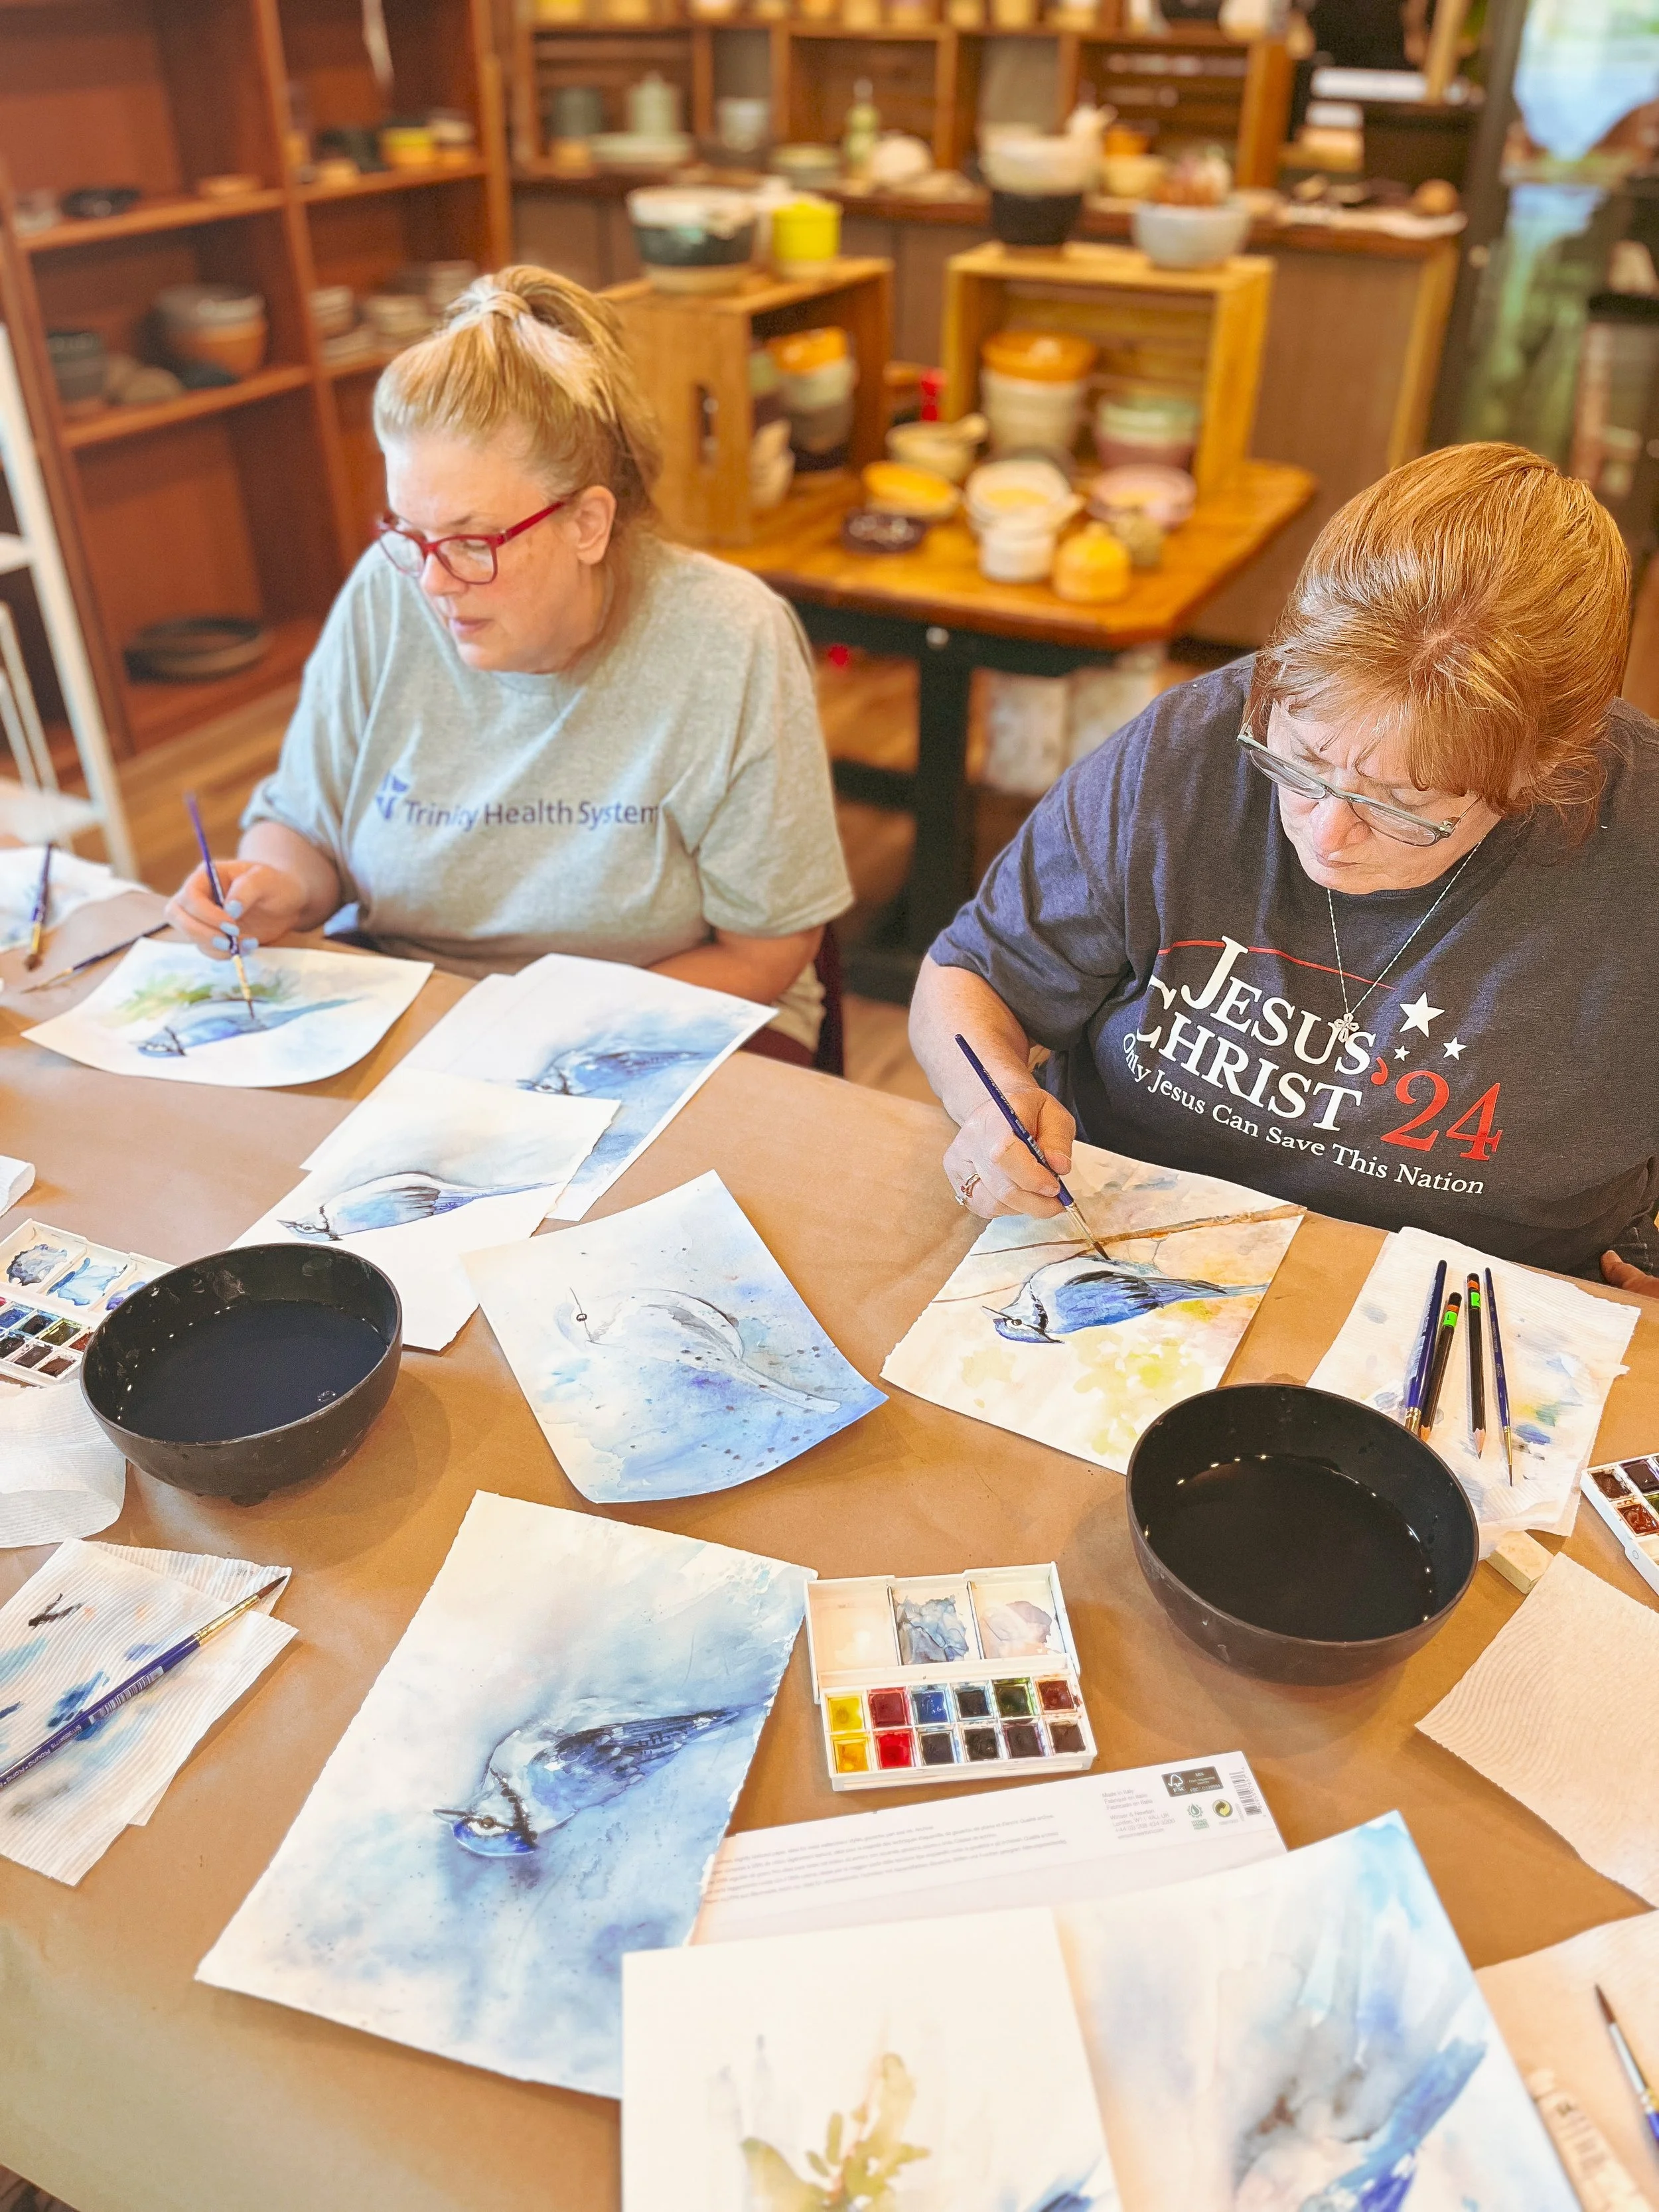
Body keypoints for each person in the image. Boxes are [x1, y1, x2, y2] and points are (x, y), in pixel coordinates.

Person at [910, 441, 1659, 1291]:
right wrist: (991, 1102)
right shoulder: (1191, 746)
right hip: (1125, 1243)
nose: (1327, 834)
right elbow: (971, 976)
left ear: (1545, 771)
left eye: (1403, 803)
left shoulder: (1637, 854)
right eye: (1300, 761)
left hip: (1480, 1301)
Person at [166, 265, 851, 1061]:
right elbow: (302, 825)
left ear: (587, 524)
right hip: (421, 1001)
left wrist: (530, 1033)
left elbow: (765, 953)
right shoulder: (390, 593)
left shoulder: (728, 638)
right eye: (411, 533)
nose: (432, 581)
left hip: (655, 1016)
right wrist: (273, 888)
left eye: (471, 541)